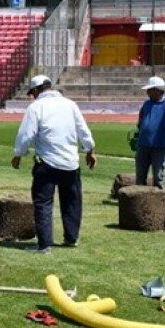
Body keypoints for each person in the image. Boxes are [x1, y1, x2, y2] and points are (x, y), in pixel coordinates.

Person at [11, 75, 96, 254]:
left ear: (36, 90)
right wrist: (90, 150)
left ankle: (44, 245)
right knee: (72, 201)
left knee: (43, 203)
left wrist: (18, 154)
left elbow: (27, 135)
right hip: (70, 163)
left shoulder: (36, 107)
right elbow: (83, 130)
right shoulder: (70, 104)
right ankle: (71, 238)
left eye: (32, 93)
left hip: (47, 163)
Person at [135, 76, 165, 190]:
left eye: (150, 90)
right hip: (143, 144)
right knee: (140, 176)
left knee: (158, 177)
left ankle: (159, 203)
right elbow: (141, 117)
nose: (147, 92)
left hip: (159, 146)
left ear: (158, 90)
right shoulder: (147, 104)